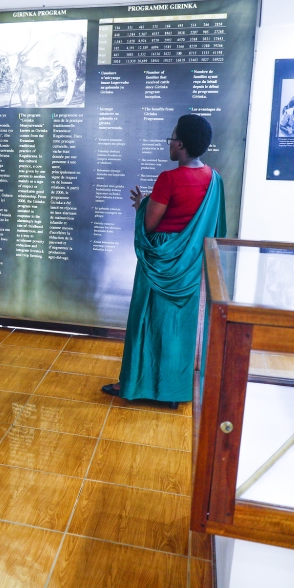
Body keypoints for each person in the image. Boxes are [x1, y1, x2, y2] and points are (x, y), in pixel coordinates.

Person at [102, 114, 226, 407]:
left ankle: (132, 384)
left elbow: (149, 225)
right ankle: (172, 391)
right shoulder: (214, 179)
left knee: (144, 321)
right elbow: (214, 226)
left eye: (171, 138)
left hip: (160, 261)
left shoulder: (168, 179)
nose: (169, 143)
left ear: (180, 145)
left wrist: (141, 205)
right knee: (177, 329)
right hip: (190, 264)